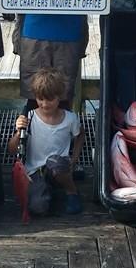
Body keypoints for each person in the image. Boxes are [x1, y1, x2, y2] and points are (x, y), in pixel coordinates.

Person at [7, 67, 84, 216]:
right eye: (40, 99)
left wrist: (74, 159)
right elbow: (11, 150)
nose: (45, 104)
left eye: (50, 99)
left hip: (57, 165)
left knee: (55, 163)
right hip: (35, 171)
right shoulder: (29, 118)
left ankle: (72, 191)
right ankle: (49, 191)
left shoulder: (70, 118)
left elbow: (80, 135)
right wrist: (18, 132)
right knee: (38, 208)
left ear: (59, 97)